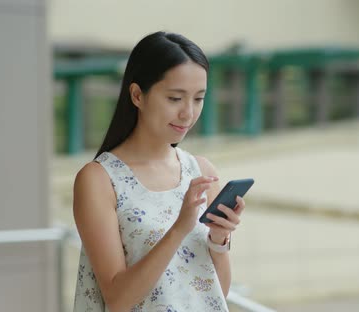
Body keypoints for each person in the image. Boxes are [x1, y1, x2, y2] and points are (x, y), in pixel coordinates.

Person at [72, 31, 245, 312]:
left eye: (198, 98)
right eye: (175, 98)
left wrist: (219, 239)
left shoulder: (201, 172)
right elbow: (117, 299)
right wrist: (180, 227)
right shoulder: (99, 179)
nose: (188, 113)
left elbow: (216, 294)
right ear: (138, 95)